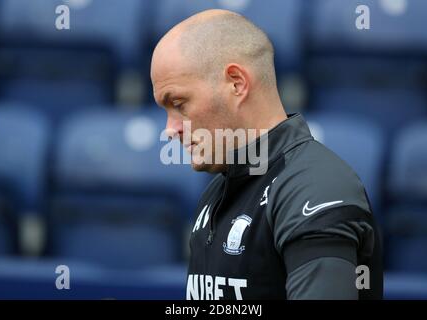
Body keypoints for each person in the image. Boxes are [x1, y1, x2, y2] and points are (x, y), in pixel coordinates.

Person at [150, 9, 383, 300]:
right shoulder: (218, 192)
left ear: (236, 83)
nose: (171, 130)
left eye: (179, 104)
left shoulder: (315, 187)